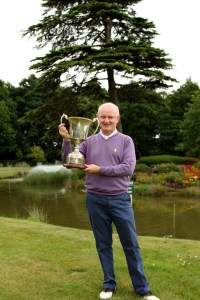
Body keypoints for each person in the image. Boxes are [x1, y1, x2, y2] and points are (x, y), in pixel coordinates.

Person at [58, 102, 160, 300]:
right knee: (103, 244)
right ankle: (109, 285)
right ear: (97, 118)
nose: (106, 121)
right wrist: (66, 141)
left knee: (130, 244)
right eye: (103, 117)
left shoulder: (126, 141)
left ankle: (142, 288)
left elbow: (128, 168)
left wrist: (100, 170)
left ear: (117, 119)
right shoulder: (88, 141)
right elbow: (70, 163)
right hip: (95, 199)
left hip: (120, 199)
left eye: (110, 117)